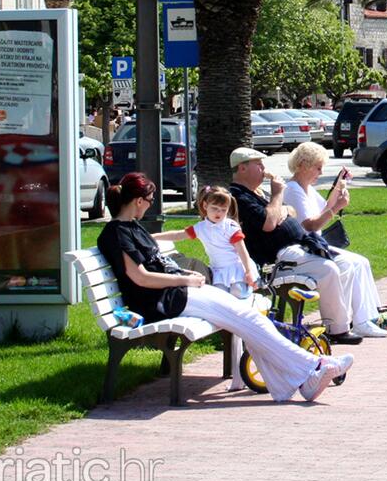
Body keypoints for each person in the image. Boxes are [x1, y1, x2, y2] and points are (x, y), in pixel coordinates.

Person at [99, 172, 351, 402]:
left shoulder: (132, 228)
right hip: (164, 300)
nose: (151, 203)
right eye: (151, 198)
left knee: (250, 319)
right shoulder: (116, 233)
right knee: (246, 318)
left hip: (179, 292)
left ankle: (299, 378)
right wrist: (185, 280)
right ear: (139, 200)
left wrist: (184, 274)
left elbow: (156, 267)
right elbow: (141, 277)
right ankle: (314, 368)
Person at [228, 147, 367, 345]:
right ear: (242, 168)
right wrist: (277, 196)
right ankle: (337, 330)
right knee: (328, 269)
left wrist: (280, 209)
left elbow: (290, 211)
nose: (263, 168)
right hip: (276, 257)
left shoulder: (254, 192)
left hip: (296, 247)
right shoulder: (238, 197)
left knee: (344, 264)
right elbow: (268, 223)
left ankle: (339, 323)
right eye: (258, 165)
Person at [281, 142, 387, 339]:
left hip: (316, 245)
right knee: (346, 264)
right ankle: (343, 322)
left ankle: (366, 317)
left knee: (361, 262)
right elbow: (310, 225)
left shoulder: (307, 189)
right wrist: (336, 208)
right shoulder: (293, 190)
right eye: (317, 167)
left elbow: (323, 209)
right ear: (303, 165)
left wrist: (338, 188)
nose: (320, 172)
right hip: (306, 247)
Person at [173, 186, 258, 290]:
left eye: (223, 210)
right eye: (214, 208)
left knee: (238, 291)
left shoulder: (230, 227)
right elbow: (177, 235)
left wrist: (248, 271)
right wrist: (153, 237)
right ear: (205, 205)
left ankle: (251, 289)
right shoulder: (200, 228)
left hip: (237, 268)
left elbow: (242, 251)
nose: (219, 213)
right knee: (219, 294)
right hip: (218, 270)